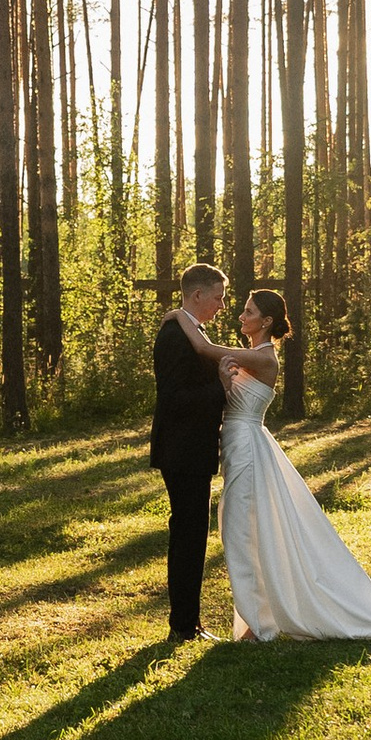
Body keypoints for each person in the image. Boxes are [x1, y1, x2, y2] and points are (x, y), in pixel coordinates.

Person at [215, 288, 371, 644]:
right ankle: (256, 621)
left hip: (246, 445)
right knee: (245, 530)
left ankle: (257, 628)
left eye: (248, 312)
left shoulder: (264, 358)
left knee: (242, 532)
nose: (241, 317)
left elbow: (205, 349)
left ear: (266, 321)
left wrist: (180, 319)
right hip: (237, 442)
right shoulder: (249, 356)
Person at [149, 265, 233, 641]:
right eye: (218, 296)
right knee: (187, 535)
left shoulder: (190, 328)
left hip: (193, 449)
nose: (222, 304)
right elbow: (174, 397)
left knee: (192, 534)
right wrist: (220, 387)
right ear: (197, 295)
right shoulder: (173, 334)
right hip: (181, 451)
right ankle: (183, 625)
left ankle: (188, 621)